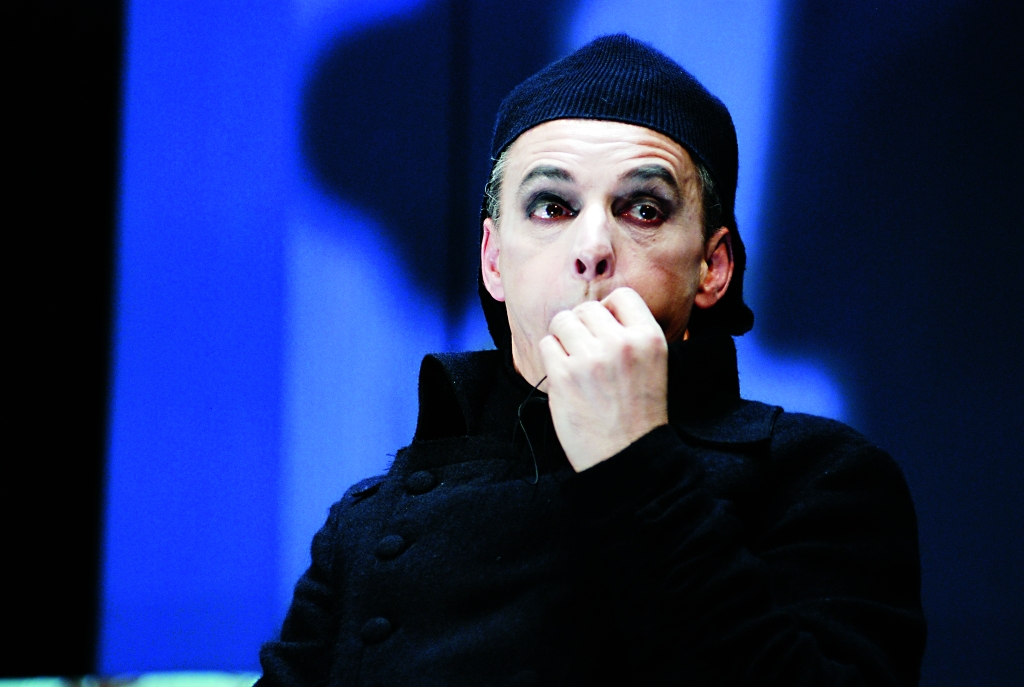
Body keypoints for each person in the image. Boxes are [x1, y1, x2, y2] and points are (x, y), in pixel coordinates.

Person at [258, 34, 926, 686]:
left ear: (713, 267)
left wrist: (632, 457)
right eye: (552, 206)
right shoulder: (365, 524)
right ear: (493, 260)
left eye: (644, 209)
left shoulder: (818, 477)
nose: (593, 248)